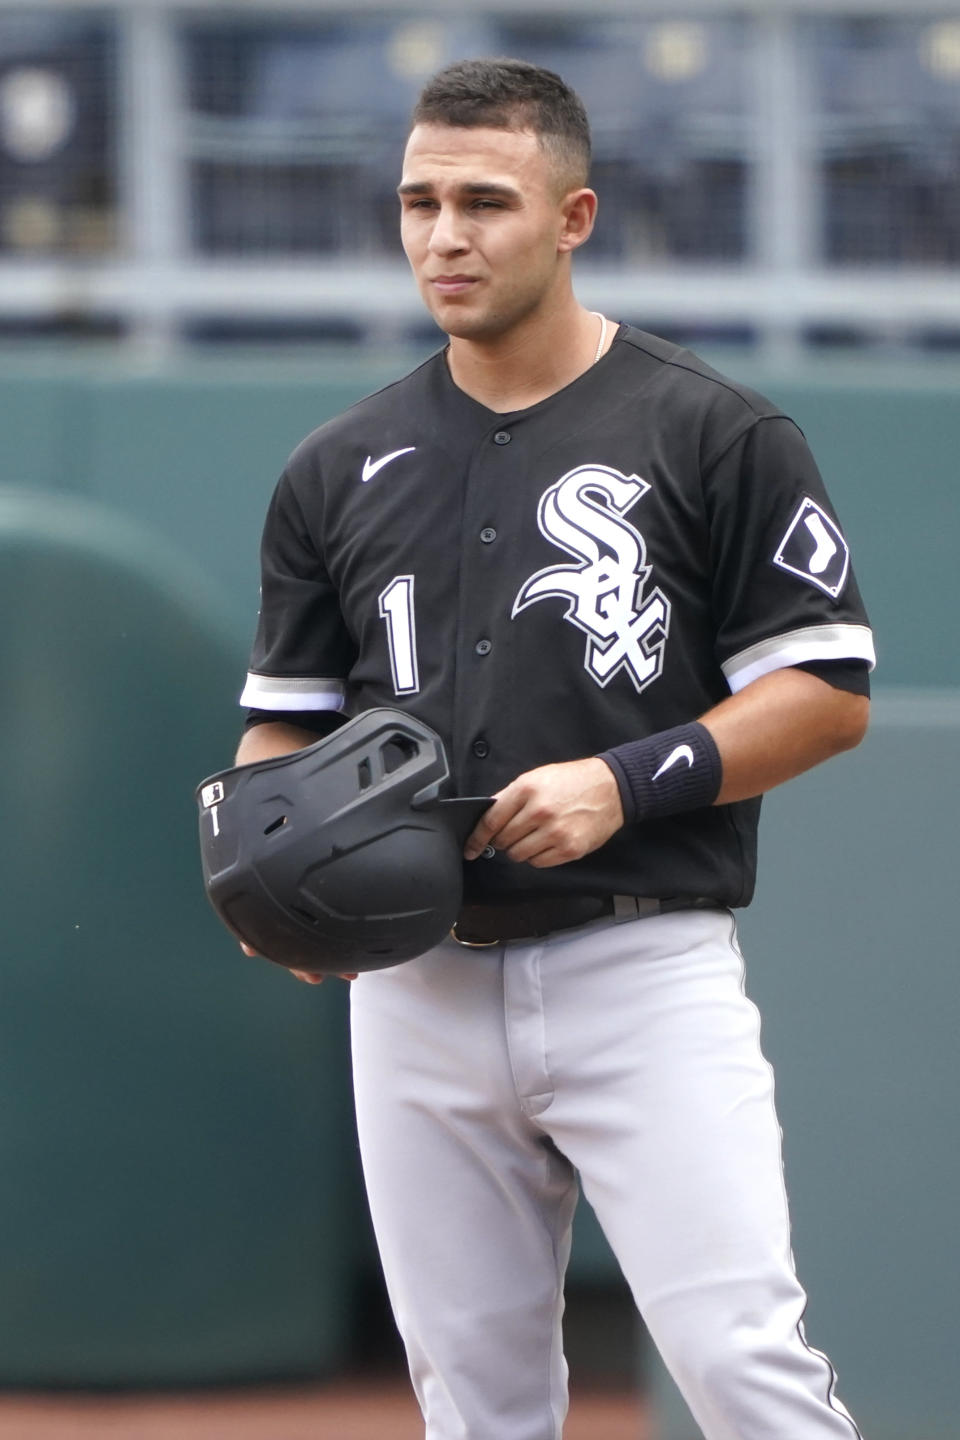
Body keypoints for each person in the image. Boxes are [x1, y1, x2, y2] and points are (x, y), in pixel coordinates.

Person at [234, 57, 873, 1440]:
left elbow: (825, 691)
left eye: (484, 201)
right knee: (476, 1405)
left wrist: (622, 782)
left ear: (574, 216)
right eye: (417, 202)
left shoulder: (714, 429)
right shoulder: (336, 465)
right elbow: (286, 713)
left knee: (742, 1363)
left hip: (640, 963)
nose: (444, 236)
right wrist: (265, 861)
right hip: (414, 980)